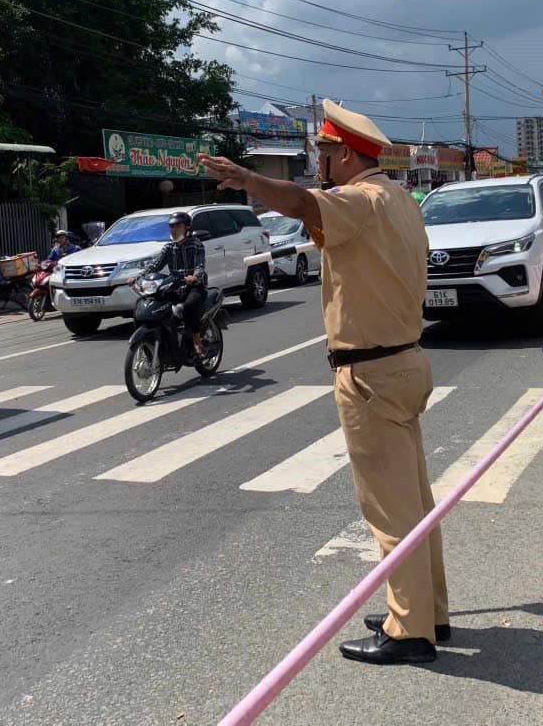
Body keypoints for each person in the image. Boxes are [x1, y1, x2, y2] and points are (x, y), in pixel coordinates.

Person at [200, 99, 448, 667]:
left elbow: (301, 201)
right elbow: (318, 219)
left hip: (371, 373)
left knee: (390, 510)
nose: (320, 162)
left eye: (325, 152)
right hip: (407, 363)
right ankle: (426, 609)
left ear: (345, 154)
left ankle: (411, 630)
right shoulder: (401, 200)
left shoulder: (358, 200)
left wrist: (247, 179)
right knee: (416, 501)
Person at [138, 212, 207, 357]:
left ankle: (196, 340)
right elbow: (155, 265)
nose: (174, 230)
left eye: (178, 226)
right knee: (154, 307)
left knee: (187, 307)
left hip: (194, 287)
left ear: (187, 227)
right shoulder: (169, 247)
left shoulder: (196, 244)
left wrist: (195, 277)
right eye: (171, 226)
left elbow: (200, 265)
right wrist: (138, 277)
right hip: (174, 287)